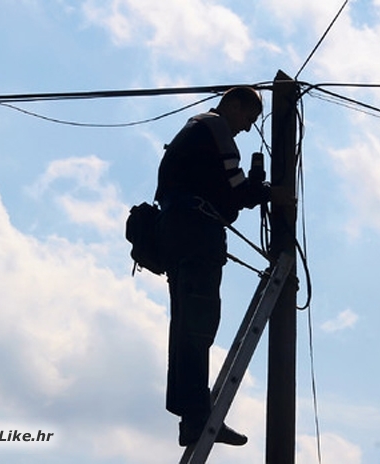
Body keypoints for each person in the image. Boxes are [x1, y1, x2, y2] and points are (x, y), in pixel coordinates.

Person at [155, 87, 270, 447]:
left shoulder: (196, 129)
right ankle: (197, 416)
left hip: (178, 236)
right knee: (199, 326)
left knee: (189, 326)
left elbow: (227, 191)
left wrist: (252, 191)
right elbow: (235, 191)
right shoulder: (216, 127)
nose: (246, 129)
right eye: (248, 118)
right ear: (232, 105)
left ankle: (193, 415)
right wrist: (269, 192)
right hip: (196, 237)